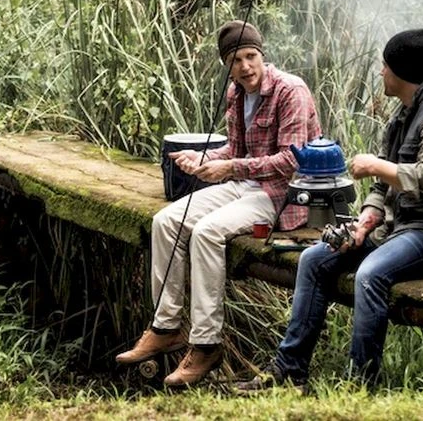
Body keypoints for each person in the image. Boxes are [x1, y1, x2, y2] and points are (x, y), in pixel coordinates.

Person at [236, 28, 423, 391]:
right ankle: (289, 372)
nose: (380, 72)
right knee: (314, 258)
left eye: (385, 66)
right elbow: (382, 189)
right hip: (398, 227)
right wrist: (366, 221)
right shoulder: (405, 114)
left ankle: (359, 386)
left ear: (400, 72)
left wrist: (375, 165)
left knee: (370, 274)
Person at [115, 20, 322, 387]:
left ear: (262, 55)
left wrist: (230, 167)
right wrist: (203, 158)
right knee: (166, 221)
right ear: (227, 65)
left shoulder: (291, 91)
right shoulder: (235, 93)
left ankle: (206, 344)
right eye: (235, 60)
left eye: (251, 56)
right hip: (243, 185)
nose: (245, 67)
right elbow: (236, 149)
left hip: (281, 195)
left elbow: (291, 160)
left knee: (207, 232)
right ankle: (165, 327)